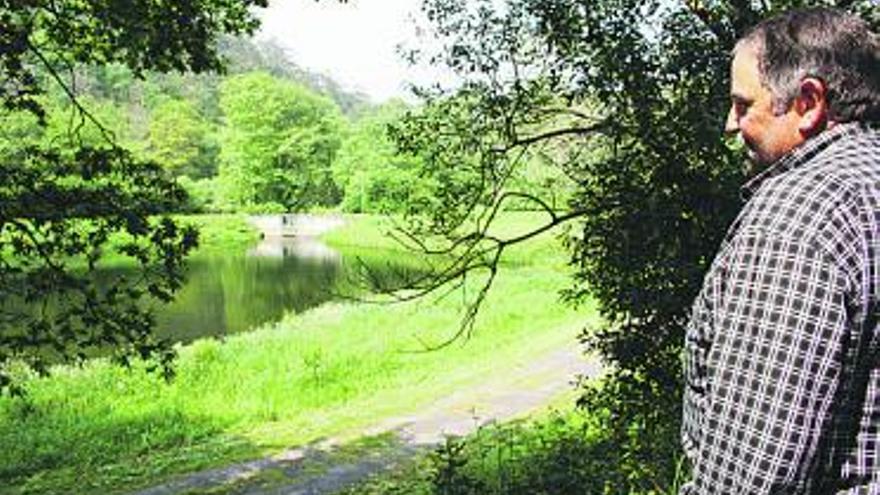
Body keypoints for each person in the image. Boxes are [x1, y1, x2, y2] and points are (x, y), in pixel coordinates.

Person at [681, 7, 880, 494]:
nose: (731, 124)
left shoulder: (800, 213)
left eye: (743, 103)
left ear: (808, 102)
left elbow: (752, 474)